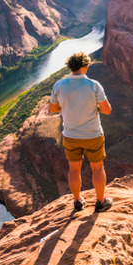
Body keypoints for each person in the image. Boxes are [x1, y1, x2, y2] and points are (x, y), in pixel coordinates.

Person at [49, 51, 113, 212]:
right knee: (97, 168)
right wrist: (93, 106)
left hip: (70, 136)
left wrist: (67, 106)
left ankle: (77, 201)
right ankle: (101, 201)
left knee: (74, 169)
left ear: (70, 67)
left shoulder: (59, 85)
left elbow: (52, 108)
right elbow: (107, 110)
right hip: (93, 134)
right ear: (86, 66)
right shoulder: (94, 85)